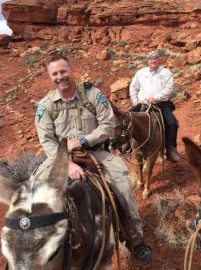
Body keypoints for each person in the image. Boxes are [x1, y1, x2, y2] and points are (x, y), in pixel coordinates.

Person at [32, 54, 152, 263]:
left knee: (122, 183)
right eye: (55, 74)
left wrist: (84, 140)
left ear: (71, 71)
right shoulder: (46, 105)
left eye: (63, 71)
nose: (60, 76)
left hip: (94, 151)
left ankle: (134, 237)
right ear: (50, 77)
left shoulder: (93, 95)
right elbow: (47, 140)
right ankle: (33, 239)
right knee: (33, 188)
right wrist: (66, 163)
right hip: (59, 156)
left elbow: (107, 126)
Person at [129, 50, 180, 162]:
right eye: (151, 59)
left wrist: (155, 98)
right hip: (143, 103)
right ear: (148, 61)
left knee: (172, 123)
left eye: (155, 58)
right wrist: (134, 100)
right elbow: (133, 87)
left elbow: (168, 89)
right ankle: (128, 147)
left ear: (159, 60)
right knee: (126, 119)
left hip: (160, 104)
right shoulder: (140, 73)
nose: (153, 61)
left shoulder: (166, 73)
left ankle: (171, 148)